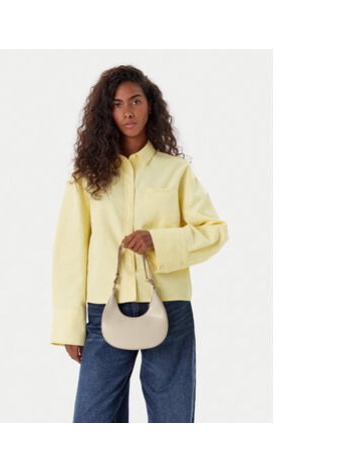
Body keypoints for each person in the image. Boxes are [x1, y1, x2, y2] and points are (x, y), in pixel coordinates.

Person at [50, 65, 229, 423]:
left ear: (150, 106)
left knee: (172, 418)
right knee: (92, 418)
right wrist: (70, 325)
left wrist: (157, 240)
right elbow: (70, 252)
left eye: (135, 101)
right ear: (107, 113)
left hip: (170, 308)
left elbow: (214, 232)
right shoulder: (86, 178)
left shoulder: (175, 172)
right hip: (103, 309)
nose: (128, 112)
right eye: (117, 105)